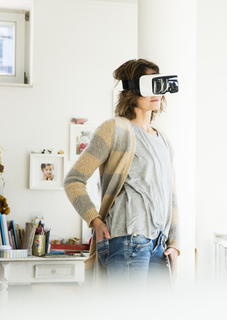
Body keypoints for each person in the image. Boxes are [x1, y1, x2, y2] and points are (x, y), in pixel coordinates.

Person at [63, 58, 180, 290]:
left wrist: (175, 244)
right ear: (131, 90)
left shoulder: (164, 140)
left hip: (159, 244)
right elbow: (73, 180)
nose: (157, 92)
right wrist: (94, 220)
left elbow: (172, 196)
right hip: (128, 239)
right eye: (149, 84)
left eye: (159, 83)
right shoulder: (115, 128)